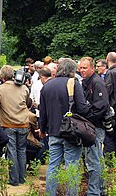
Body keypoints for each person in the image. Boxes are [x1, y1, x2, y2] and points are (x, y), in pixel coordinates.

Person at [39, 58, 91, 196]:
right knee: (72, 166)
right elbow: (82, 108)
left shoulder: (47, 86)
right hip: (71, 132)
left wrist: (42, 130)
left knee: (53, 166)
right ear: (72, 71)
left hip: (53, 132)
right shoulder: (73, 83)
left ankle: (50, 193)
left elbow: (42, 112)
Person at [0, 65, 30, 186]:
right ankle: (22, 178)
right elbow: (27, 101)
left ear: (2, 77)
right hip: (23, 123)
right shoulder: (24, 88)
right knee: (22, 150)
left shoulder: (0, 89)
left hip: (8, 124)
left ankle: (13, 180)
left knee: (12, 151)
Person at [79, 57, 109, 196]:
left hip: (95, 127)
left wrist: (88, 118)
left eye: (85, 68)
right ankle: (101, 189)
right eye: (81, 67)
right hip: (91, 126)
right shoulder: (86, 82)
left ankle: (94, 192)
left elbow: (102, 106)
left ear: (92, 68)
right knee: (96, 159)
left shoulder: (97, 83)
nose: (82, 70)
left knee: (93, 161)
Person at [104, 51, 116, 154]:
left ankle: (110, 158)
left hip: (112, 107)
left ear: (107, 59)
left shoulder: (111, 73)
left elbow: (108, 91)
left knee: (110, 135)